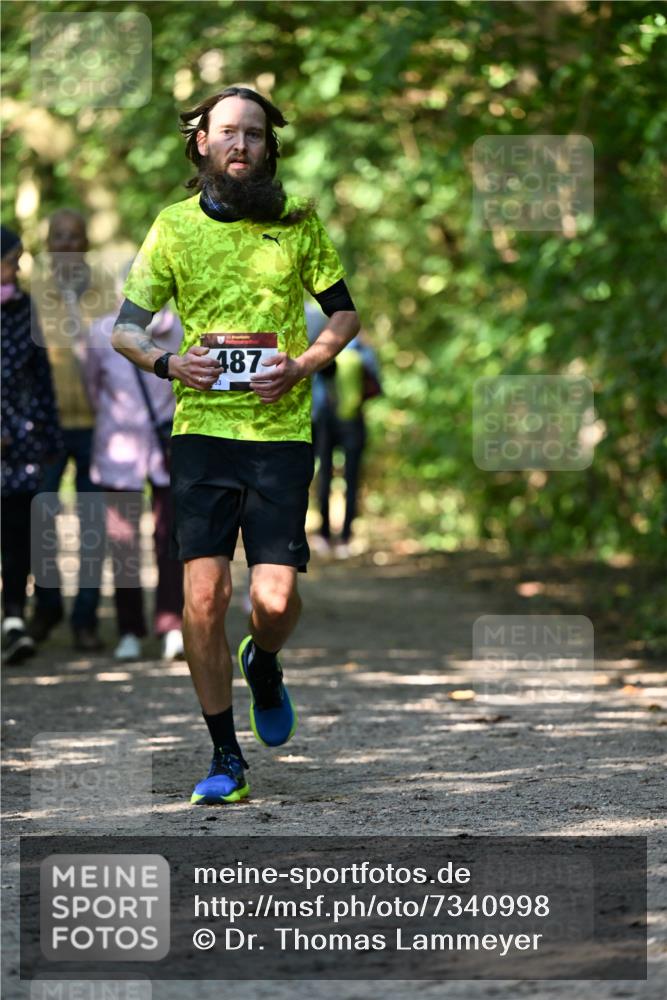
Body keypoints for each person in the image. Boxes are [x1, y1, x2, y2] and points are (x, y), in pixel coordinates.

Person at [112, 86, 360, 805]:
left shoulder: (298, 223)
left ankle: (266, 660)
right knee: (202, 594)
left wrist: (305, 363)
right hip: (200, 434)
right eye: (228, 132)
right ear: (203, 144)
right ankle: (225, 756)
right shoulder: (172, 228)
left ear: (267, 147)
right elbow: (125, 329)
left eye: (254, 134)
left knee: (273, 601)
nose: (241, 144)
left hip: (279, 436)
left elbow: (343, 315)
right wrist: (167, 363)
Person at [30, 210, 114, 652]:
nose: (66, 244)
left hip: (98, 426)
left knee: (92, 526)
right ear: (48, 245)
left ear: (85, 244)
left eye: (74, 237)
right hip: (45, 428)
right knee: (40, 520)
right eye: (58, 237)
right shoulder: (29, 292)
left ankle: (84, 620)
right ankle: (45, 611)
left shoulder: (106, 292)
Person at [86, 302, 185, 662]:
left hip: (168, 447)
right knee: (123, 543)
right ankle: (129, 629)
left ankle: (172, 626)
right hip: (119, 450)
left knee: (171, 539)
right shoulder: (101, 331)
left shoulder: (182, 329)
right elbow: (93, 388)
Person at [1, 225, 63, 664]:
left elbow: (40, 377)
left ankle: (14, 618)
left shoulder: (25, 308)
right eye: (13, 258)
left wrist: (49, 437)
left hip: (22, 442)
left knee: (21, 529)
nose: (19, 266)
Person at [306, 302, 381, 557]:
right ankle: (335, 535)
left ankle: (336, 535)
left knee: (338, 476)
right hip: (339, 419)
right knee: (338, 476)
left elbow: (374, 384)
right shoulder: (358, 350)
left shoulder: (352, 349)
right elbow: (375, 385)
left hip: (338, 419)